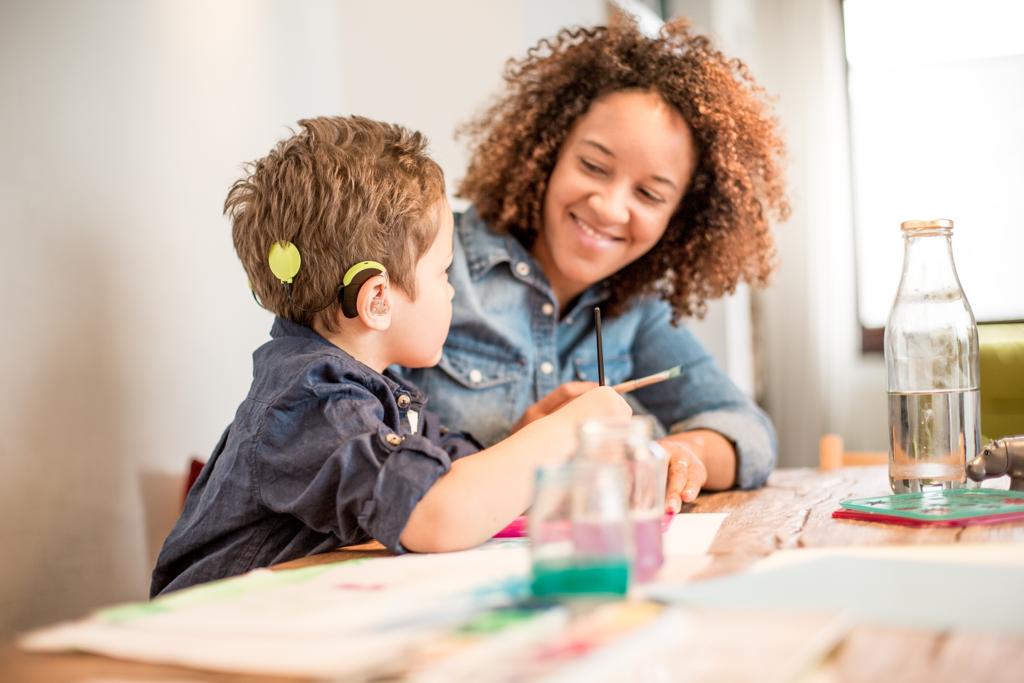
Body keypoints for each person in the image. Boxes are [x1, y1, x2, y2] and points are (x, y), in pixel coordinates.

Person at [151, 116, 630, 596]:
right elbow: (439, 513)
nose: (452, 293)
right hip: (206, 639)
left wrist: (530, 436)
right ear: (376, 299)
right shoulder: (312, 404)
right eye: (444, 273)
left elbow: (464, 477)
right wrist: (571, 428)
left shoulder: (375, 396)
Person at [401, 15, 789, 512]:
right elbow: (354, 442)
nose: (608, 207)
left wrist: (685, 452)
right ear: (547, 153)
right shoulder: (433, 263)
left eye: (649, 194)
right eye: (592, 166)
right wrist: (520, 445)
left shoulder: (637, 313)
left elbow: (748, 429)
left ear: (680, 219)